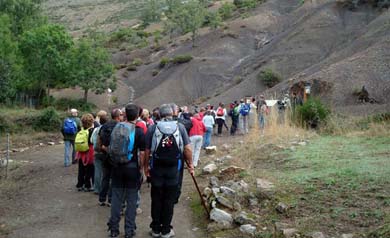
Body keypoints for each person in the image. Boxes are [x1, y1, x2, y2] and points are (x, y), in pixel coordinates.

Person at [144, 104, 194, 238]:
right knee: (169, 200)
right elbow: (187, 149)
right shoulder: (180, 127)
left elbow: (147, 151)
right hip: (173, 170)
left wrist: (145, 168)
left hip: (157, 169)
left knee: (156, 198)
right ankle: (166, 230)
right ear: (172, 114)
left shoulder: (152, 128)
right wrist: (191, 165)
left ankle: (155, 229)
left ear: (159, 115)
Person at [107, 104, 145, 238]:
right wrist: (142, 169)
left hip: (117, 167)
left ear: (125, 115)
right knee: (131, 200)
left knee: (116, 200)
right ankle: (129, 230)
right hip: (132, 168)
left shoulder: (117, 127)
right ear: (137, 116)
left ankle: (114, 230)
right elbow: (142, 153)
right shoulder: (139, 131)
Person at [98, 108, 124, 206]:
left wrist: (102, 148)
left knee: (105, 177)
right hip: (116, 157)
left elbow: (99, 139)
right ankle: (111, 199)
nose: (122, 116)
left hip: (105, 156)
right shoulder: (120, 126)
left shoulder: (104, 126)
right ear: (118, 116)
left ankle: (102, 198)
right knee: (114, 179)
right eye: (121, 114)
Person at [75, 113, 95, 192]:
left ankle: (80, 184)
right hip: (88, 152)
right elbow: (92, 142)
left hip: (80, 153)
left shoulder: (81, 130)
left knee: (81, 169)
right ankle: (87, 185)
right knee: (89, 170)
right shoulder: (91, 131)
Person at [92, 113, 108, 194]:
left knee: (97, 171)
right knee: (105, 172)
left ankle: (97, 189)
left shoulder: (96, 129)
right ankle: (104, 189)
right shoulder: (108, 129)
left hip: (96, 151)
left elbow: (91, 140)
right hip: (105, 152)